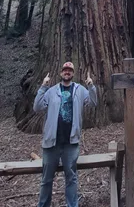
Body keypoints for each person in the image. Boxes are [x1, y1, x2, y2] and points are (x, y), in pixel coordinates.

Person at [33, 61, 97, 207]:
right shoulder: (51, 91)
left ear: (73, 74)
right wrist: (43, 87)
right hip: (52, 142)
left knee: (71, 178)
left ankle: (72, 205)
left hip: (71, 143)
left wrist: (91, 86)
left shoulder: (80, 90)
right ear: (61, 72)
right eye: (65, 70)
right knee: (47, 179)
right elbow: (37, 107)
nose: (67, 72)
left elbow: (93, 103)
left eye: (70, 70)